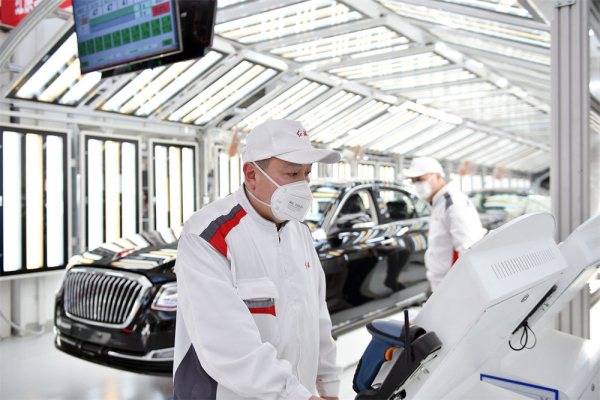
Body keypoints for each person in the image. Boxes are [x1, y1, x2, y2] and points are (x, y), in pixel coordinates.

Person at [173, 119, 342, 400]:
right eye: (292, 173)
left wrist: (328, 386)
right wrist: (296, 395)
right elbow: (229, 346)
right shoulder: (208, 236)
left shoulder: (299, 231)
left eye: (307, 174)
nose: (303, 186)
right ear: (251, 174)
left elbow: (317, 318)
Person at [404, 157, 483, 291]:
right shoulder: (437, 202)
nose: (417, 184)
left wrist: (464, 288)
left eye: (421, 179)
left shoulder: (453, 203)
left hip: (452, 287)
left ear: (438, 176)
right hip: (439, 284)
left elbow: (469, 248)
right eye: (413, 181)